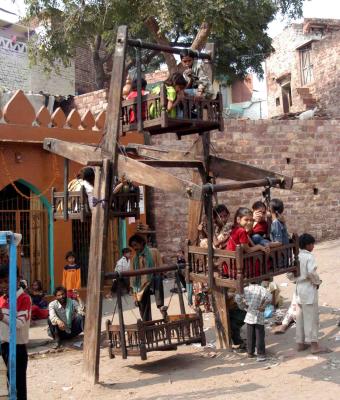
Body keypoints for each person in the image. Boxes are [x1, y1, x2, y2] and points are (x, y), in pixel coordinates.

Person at [0, 264, 31, 400]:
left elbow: (19, 323)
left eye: (6, 281)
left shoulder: (24, 299)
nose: (3, 285)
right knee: (5, 386)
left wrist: (2, 317)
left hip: (17, 349)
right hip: (3, 348)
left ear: (17, 279)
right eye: (1, 282)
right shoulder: (2, 299)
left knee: (18, 388)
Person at [295, 233, 330, 354]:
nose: (313, 246)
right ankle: (314, 345)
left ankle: (300, 343)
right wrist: (317, 282)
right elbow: (311, 272)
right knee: (312, 317)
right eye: (312, 244)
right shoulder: (309, 257)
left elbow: (290, 274)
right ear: (308, 245)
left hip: (298, 288)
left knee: (300, 317)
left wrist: (296, 279)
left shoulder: (296, 255)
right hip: (308, 288)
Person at [225, 207, 270, 277]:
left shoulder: (237, 229)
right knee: (262, 262)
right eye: (246, 220)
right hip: (236, 266)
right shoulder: (241, 231)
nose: (249, 222)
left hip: (229, 263)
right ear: (238, 219)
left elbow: (251, 244)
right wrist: (259, 247)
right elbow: (248, 250)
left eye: (251, 220)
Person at [128, 234, 164, 321]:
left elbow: (161, 267)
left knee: (158, 279)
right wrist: (134, 295)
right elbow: (132, 278)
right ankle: (147, 323)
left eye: (136, 245)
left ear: (141, 243)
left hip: (153, 281)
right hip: (141, 285)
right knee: (143, 302)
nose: (134, 248)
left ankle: (161, 306)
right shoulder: (134, 259)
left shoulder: (154, 252)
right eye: (133, 246)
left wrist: (154, 274)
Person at [235, 283, 272, 361]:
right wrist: (263, 306)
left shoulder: (246, 289)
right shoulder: (262, 289)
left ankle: (250, 353)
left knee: (250, 334)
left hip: (250, 313)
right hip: (259, 314)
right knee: (260, 335)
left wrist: (243, 306)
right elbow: (269, 298)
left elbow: (238, 298)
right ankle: (260, 354)